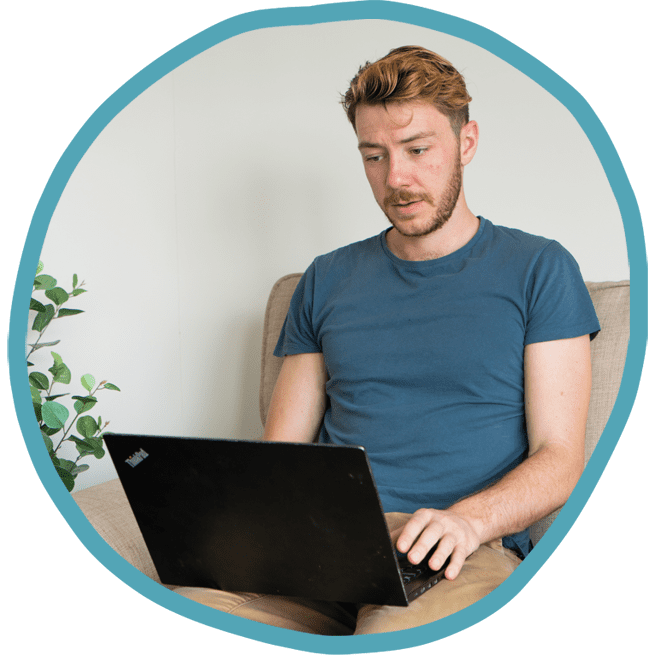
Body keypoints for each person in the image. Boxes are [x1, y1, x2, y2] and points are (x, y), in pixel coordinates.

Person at [174, 45, 601, 634]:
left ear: (467, 142)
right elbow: (281, 453)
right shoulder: (325, 277)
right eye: (374, 156)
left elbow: (562, 459)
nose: (396, 178)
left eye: (418, 150)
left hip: (456, 551)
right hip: (322, 542)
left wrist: (469, 522)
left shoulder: (540, 269)